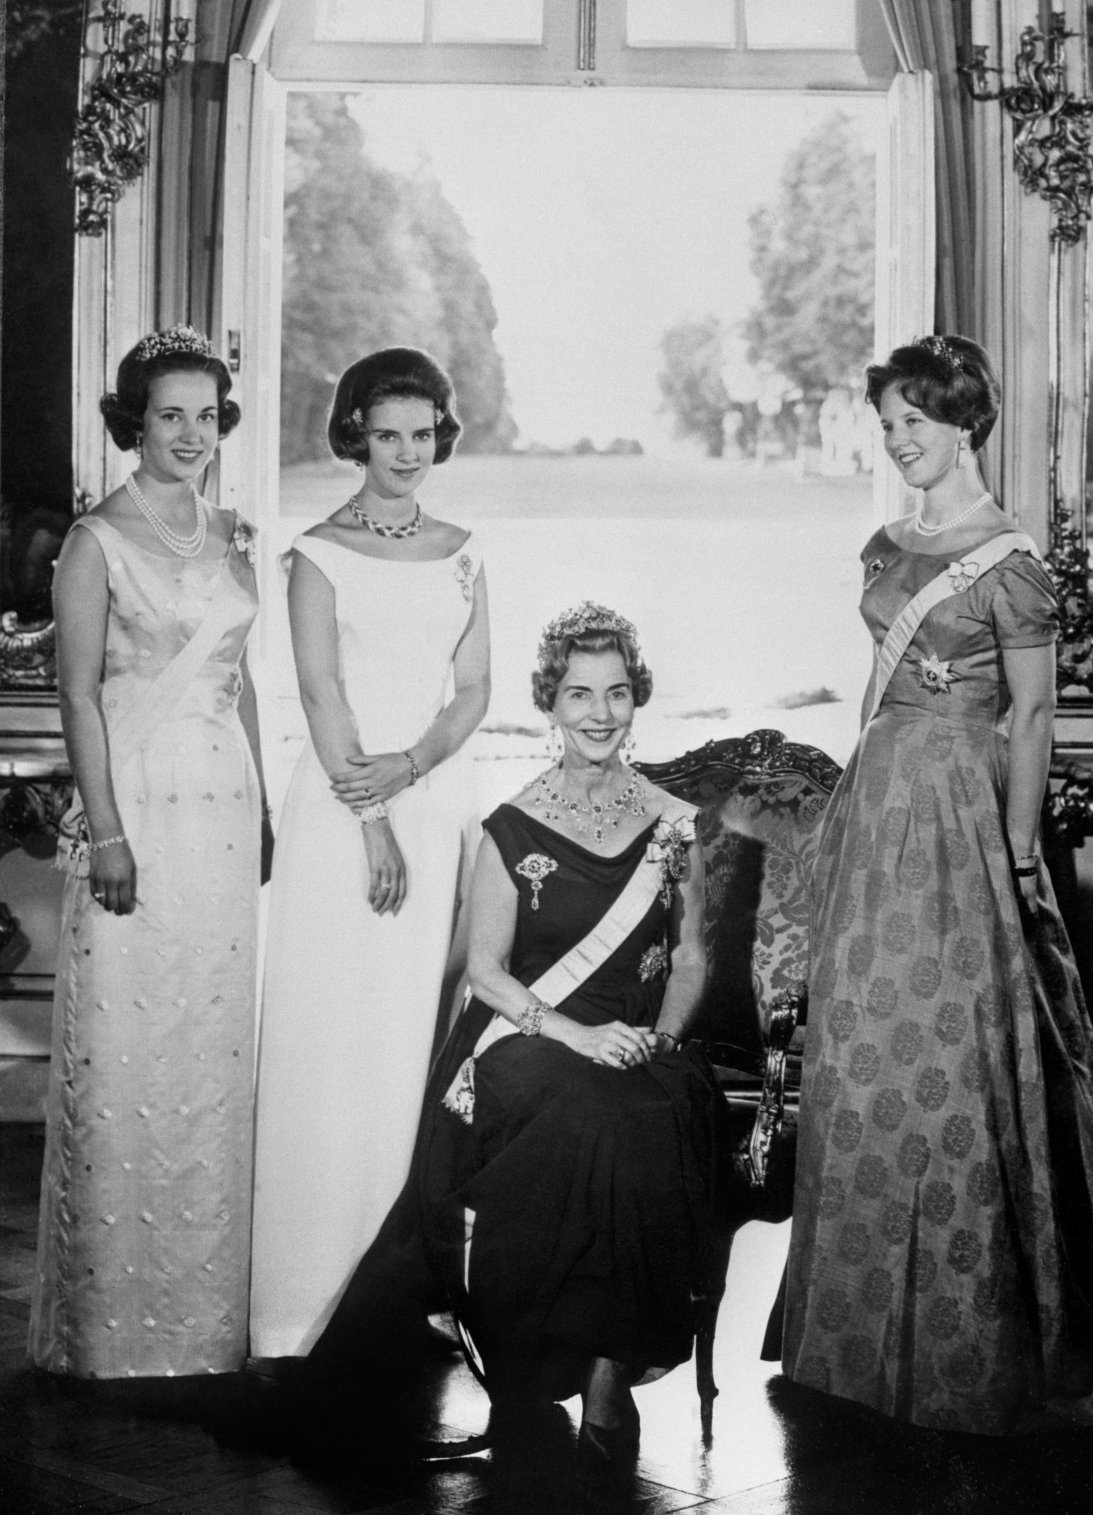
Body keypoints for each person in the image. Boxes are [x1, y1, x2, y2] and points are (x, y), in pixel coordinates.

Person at [773, 334, 1093, 1434]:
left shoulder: (1009, 563)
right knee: (864, 1048)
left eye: (914, 423)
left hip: (964, 811)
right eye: (889, 426)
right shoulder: (883, 546)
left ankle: (959, 1344)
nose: (898, 441)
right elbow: (876, 686)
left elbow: (1036, 717)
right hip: (879, 807)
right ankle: (845, 1342)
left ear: (964, 424)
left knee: (948, 1057)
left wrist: (1016, 848)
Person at [297, 604, 728, 1468]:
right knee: (586, 1118)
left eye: (615, 693)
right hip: (528, 1042)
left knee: (658, 1111)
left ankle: (607, 1368)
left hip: (639, 1050)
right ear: (550, 703)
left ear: (635, 698)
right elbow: (487, 974)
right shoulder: (512, 825)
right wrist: (579, 1035)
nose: (599, 714)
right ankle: (546, 1369)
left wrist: (663, 1039)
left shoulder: (674, 825)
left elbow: (690, 955)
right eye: (578, 694)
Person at [30, 325, 268, 1377]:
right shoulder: (96, 541)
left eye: (206, 415)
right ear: (134, 422)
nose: (190, 433)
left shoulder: (232, 535)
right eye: (169, 414)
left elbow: (244, 675)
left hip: (223, 812)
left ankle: (205, 1331)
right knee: (129, 1053)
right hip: (139, 811)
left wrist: (263, 804)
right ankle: (113, 1339)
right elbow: (77, 693)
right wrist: (110, 830)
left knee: (208, 1057)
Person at [249, 347, 490, 1359]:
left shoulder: (466, 548)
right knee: (331, 1044)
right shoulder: (317, 551)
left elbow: (473, 691)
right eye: (385, 433)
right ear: (355, 433)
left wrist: (413, 769)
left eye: (421, 433)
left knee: (408, 1047)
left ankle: (396, 1291)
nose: (405, 453)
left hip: (428, 801)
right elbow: (318, 693)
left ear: (441, 433)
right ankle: (296, 1307)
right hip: (343, 815)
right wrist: (373, 813)